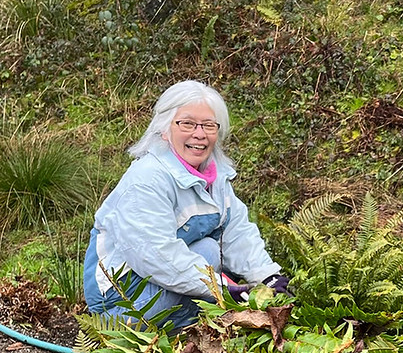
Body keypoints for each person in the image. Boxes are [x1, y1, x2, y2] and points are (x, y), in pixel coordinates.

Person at [84, 80, 289, 329]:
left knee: (211, 250)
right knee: (208, 259)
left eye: (208, 126)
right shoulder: (147, 179)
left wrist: (269, 277)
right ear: (164, 128)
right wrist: (223, 289)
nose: (199, 134)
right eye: (187, 124)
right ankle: (162, 333)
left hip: (163, 287)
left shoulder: (216, 178)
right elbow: (157, 256)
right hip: (120, 304)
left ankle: (191, 327)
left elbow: (237, 234)